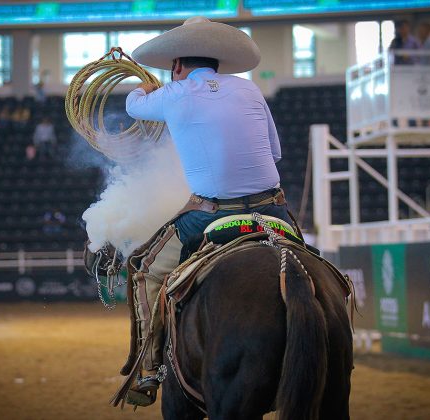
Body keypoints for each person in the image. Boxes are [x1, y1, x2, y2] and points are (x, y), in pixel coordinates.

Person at [114, 16, 292, 405]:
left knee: (145, 272)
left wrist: (145, 87)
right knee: (306, 268)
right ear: (215, 62)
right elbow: (275, 153)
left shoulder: (174, 93)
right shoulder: (250, 90)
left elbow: (133, 106)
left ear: (177, 65)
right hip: (273, 210)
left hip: (212, 214)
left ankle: (150, 370)